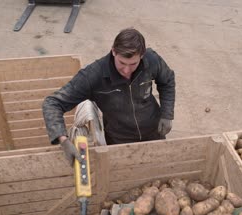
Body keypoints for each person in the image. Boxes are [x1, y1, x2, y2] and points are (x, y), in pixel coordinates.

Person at [42, 28, 176, 164]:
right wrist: (63, 140)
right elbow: (52, 103)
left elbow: (167, 80)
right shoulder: (93, 75)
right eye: (122, 63)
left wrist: (167, 114)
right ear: (113, 51)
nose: (126, 70)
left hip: (154, 131)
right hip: (120, 140)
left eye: (133, 64)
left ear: (142, 55)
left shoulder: (151, 60)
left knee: (157, 170)